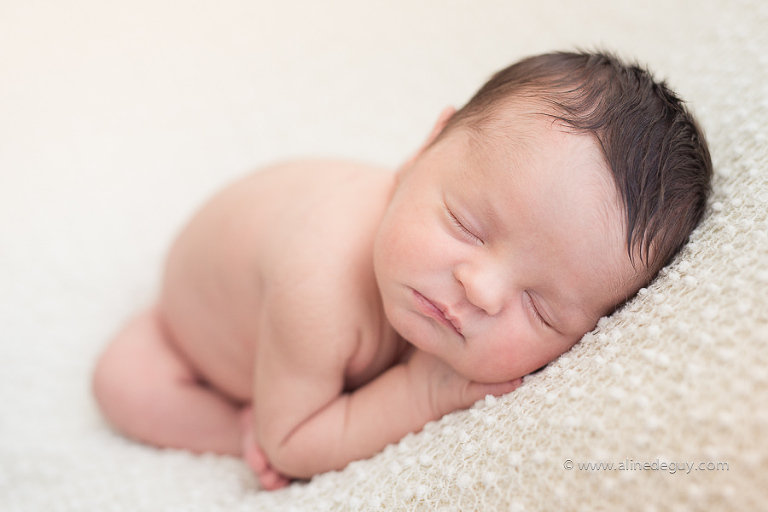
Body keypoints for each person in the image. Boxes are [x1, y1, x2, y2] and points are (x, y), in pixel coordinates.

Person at [92, 51, 712, 490]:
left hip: (289, 335)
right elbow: (295, 445)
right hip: (185, 333)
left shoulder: (432, 272)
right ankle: (239, 423)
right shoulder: (319, 281)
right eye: (467, 225)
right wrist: (423, 392)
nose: (483, 289)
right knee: (125, 384)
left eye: (541, 308)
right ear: (423, 150)